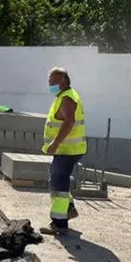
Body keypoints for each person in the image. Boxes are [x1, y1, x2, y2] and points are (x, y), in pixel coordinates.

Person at [41, 67, 86, 236]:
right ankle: (69, 208)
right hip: (67, 149)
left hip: (67, 149)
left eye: (53, 82)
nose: (50, 85)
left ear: (64, 81)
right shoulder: (64, 96)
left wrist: (55, 143)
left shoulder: (67, 98)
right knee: (56, 178)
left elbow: (69, 122)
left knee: (58, 183)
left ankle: (59, 223)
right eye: (49, 81)